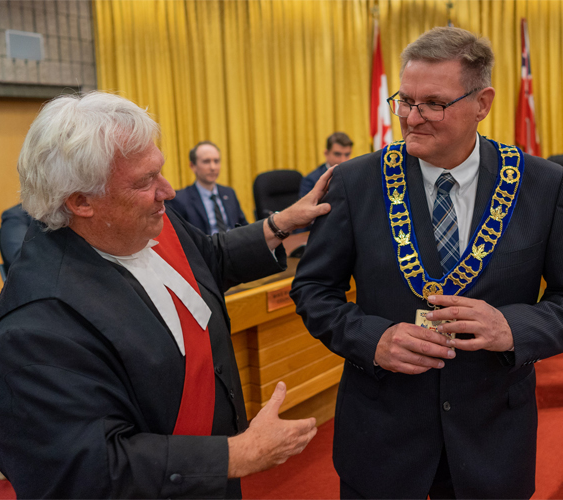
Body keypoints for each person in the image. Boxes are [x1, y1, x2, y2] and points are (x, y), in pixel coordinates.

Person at [0, 91, 328, 498]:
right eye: (146, 180)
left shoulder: (137, 218)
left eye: (159, 171)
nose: (169, 191)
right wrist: (237, 455)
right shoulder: (35, 327)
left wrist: (281, 224)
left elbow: (206, 259)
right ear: (81, 202)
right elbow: (89, 468)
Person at [291, 27, 563, 499]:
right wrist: (372, 340)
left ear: (482, 103)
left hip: (494, 444)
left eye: (433, 103)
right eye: (405, 101)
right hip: (382, 443)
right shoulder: (355, 182)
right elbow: (313, 290)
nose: (412, 118)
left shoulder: (542, 184)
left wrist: (512, 328)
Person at [169, 141, 249, 234]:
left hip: (234, 245)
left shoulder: (229, 193)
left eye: (216, 161)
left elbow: (243, 226)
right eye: (206, 162)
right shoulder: (180, 199)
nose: (213, 167)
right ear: (193, 166)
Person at [299, 132, 354, 198]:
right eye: (337, 154)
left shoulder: (354, 175)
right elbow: (306, 207)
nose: (343, 160)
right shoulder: (311, 180)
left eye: (347, 154)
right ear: (326, 153)